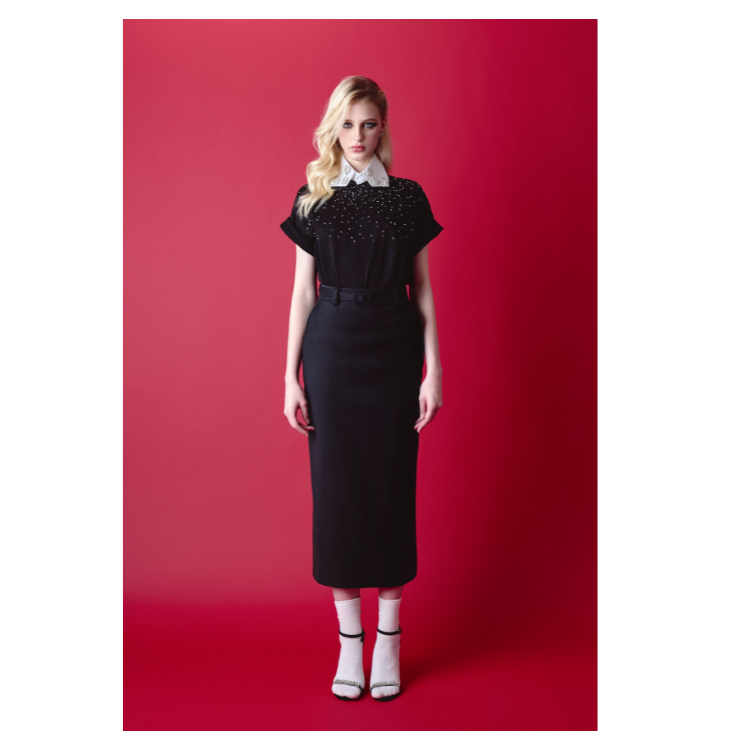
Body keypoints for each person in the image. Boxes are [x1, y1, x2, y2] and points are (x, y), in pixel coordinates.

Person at [280, 76, 444, 702]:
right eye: (347, 124)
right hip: (331, 353)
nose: (357, 136)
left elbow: (422, 288)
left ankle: (390, 639)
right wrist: (288, 376)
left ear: (383, 128)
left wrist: (434, 370)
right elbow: (302, 293)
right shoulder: (313, 198)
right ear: (333, 127)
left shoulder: (407, 197)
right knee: (338, 490)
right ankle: (351, 643)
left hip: (394, 350)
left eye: (369, 123)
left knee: (390, 485)